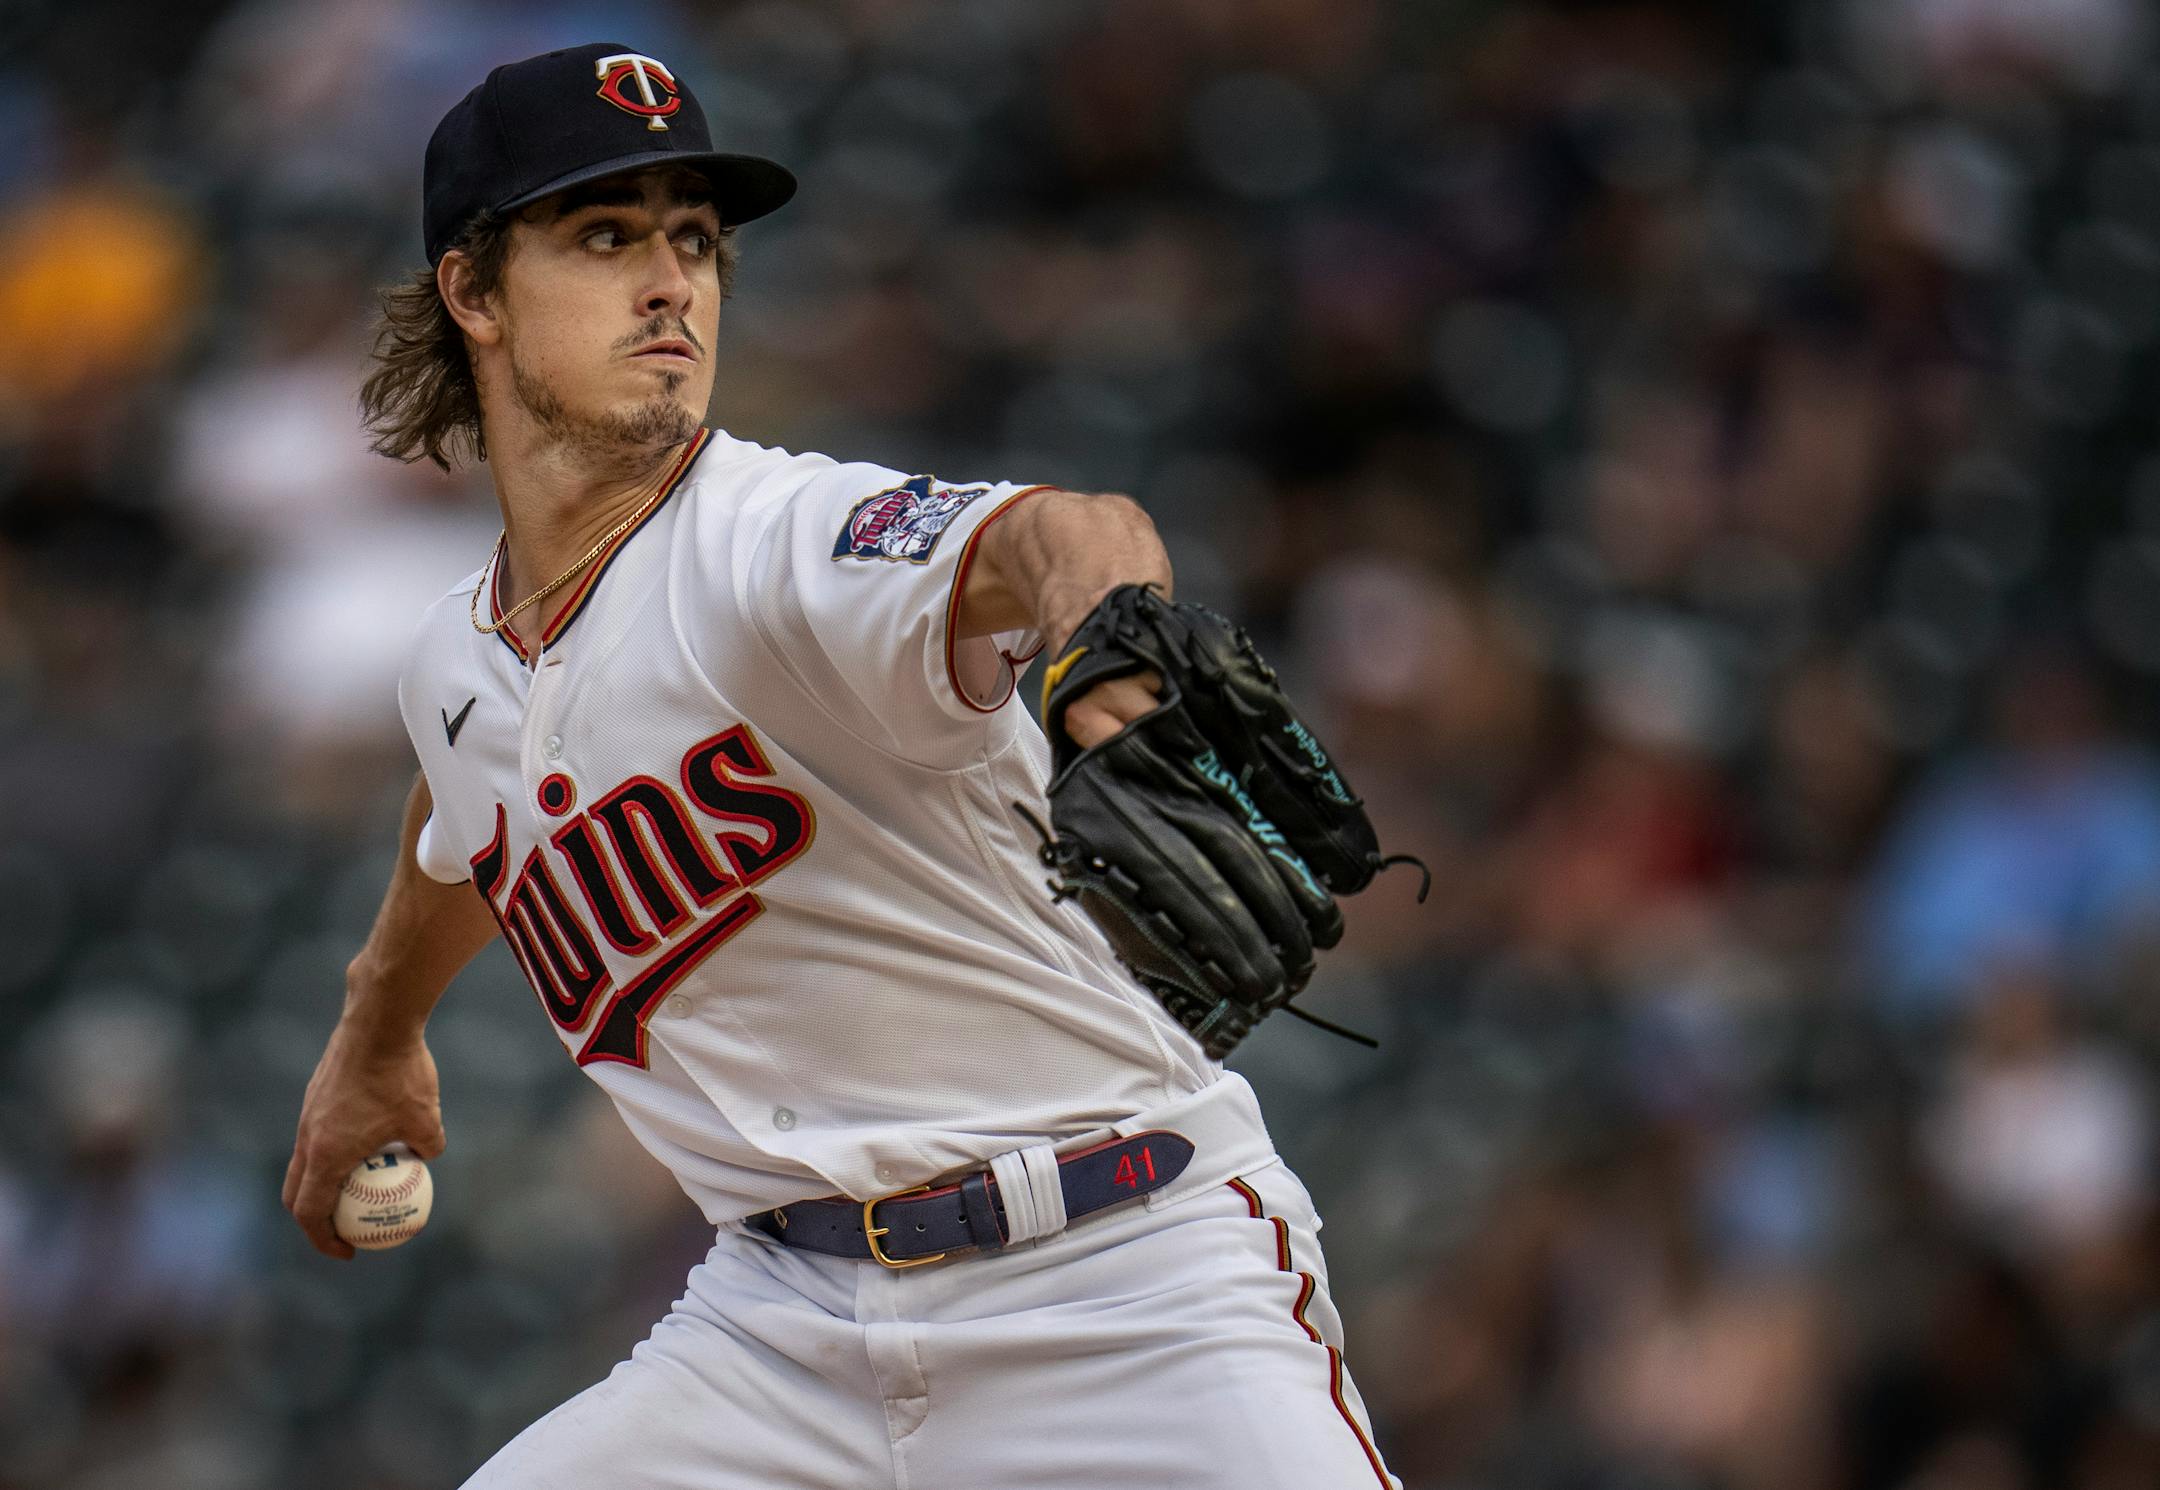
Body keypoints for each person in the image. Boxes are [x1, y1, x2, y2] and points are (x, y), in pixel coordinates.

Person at [283, 42, 1399, 1488]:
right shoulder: (454, 659)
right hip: (778, 1338)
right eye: (605, 237)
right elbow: (468, 807)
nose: (672, 281)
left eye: (693, 240)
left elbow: (1066, 533)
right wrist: (375, 1032)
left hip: (1127, 1284)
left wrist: (1105, 662)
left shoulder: (780, 545)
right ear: (474, 291)